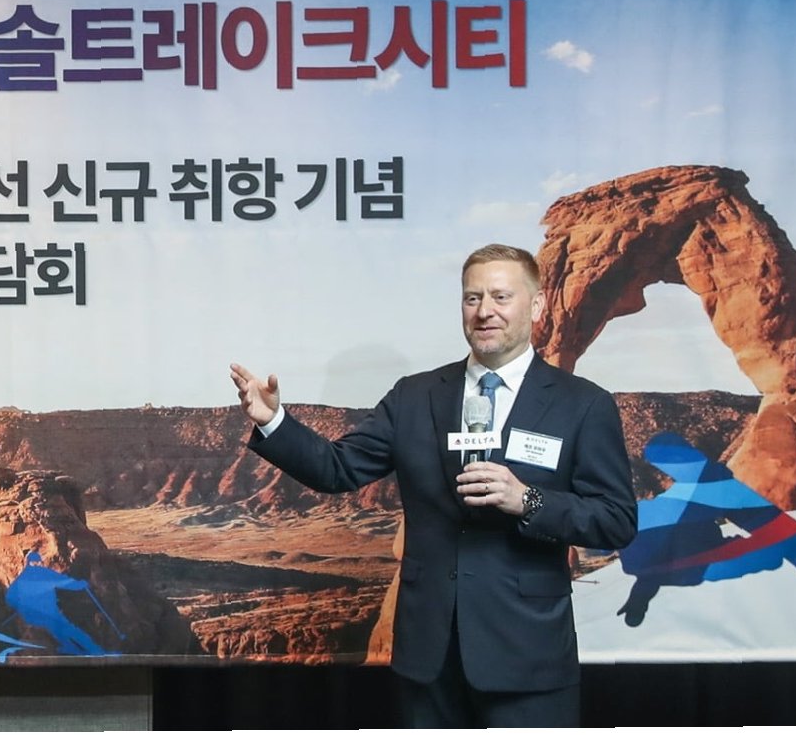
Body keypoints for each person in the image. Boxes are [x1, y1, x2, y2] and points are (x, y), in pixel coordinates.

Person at [229, 243, 637, 728]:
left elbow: (615, 520)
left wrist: (526, 499)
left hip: (528, 657)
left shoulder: (583, 404)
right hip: (428, 660)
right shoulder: (414, 395)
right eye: (472, 298)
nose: (484, 311)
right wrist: (273, 421)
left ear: (536, 305)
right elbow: (337, 469)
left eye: (501, 297)